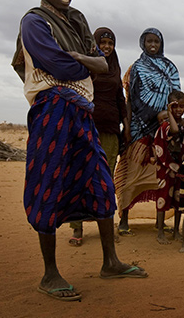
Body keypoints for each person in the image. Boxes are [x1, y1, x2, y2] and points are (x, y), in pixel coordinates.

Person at [12, 0, 146, 302]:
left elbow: (102, 65)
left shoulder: (77, 19)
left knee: (100, 180)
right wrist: (84, 61)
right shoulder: (34, 21)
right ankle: (50, 273)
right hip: (52, 109)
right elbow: (58, 64)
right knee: (49, 182)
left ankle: (110, 261)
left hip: (82, 112)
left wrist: (84, 60)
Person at [113, 28, 181, 236]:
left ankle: (161, 217)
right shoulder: (136, 68)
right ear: (142, 43)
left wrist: (171, 121)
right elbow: (130, 99)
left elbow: (176, 97)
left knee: (161, 173)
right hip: (138, 127)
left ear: (161, 44)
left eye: (156, 41)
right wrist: (128, 125)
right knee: (132, 171)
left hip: (164, 126)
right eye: (149, 41)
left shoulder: (170, 67)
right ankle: (124, 218)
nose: (153, 45)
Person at [68, 27, 127, 247]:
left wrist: (126, 127)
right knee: (81, 174)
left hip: (111, 130)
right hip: (85, 127)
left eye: (110, 44)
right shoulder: (86, 67)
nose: (107, 47)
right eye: (102, 43)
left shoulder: (115, 69)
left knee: (106, 179)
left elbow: (120, 100)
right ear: (94, 45)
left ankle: (107, 227)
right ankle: (77, 227)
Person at [153, 90, 184, 244]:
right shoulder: (165, 125)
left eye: (181, 106)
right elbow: (174, 131)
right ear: (169, 107)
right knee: (162, 197)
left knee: (179, 198)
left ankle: (176, 230)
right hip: (165, 167)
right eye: (174, 107)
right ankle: (160, 232)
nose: (178, 110)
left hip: (181, 167)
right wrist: (168, 113)